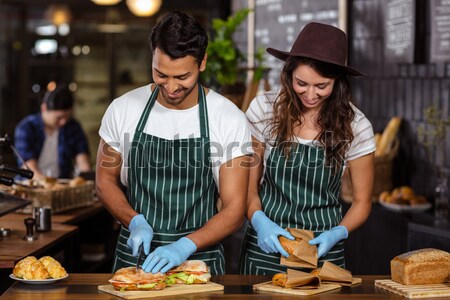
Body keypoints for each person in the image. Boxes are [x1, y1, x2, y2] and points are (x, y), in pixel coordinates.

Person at [96, 11, 251, 275]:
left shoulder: (227, 118)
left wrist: (184, 245)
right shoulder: (123, 109)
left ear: (202, 62)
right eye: (161, 74)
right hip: (136, 262)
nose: (170, 87)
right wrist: (134, 222)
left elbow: (235, 208)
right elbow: (104, 181)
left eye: (182, 77)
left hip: (199, 263)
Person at [241, 22, 376, 275]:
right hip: (266, 251)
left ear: (337, 82)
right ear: (288, 73)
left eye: (322, 86)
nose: (310, 95)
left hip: (322, 257)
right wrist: (259, 221)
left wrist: (338, 233)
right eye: (301, 83)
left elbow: (362, 202)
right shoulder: (263, 109)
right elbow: (248, 186)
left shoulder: (356, 125)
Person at [14, 82, 91, 179]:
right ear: (44, 108)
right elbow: (28, 166)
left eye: (67, 117)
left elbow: (83, 161)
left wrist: (85, 180)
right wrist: (47, 186)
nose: (63, 122)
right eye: (59, 117)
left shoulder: (73, 126)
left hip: (61, 184)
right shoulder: (26, 128)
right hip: (31, 184)